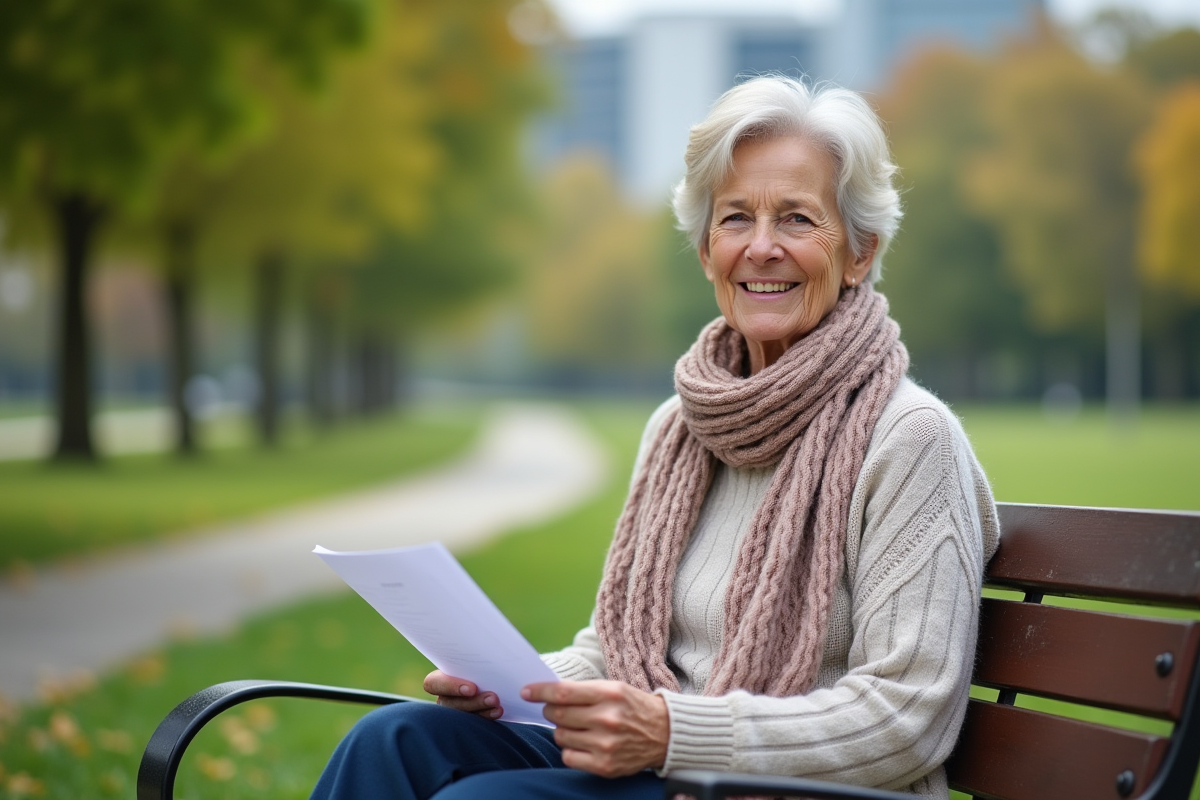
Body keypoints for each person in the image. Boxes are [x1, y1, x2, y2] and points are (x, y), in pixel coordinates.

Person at [310, 74, 999, 800]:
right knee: (389, 742)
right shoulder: (680, 428)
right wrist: (514, 688)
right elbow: (616, 651)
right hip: (663, 771)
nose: (762, 248)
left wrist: (674, 732)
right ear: (706, 252)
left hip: (787, 790)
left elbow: (907, 719)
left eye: (797, 219)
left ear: (860, 252)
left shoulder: (909, 438)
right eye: (735, 219)